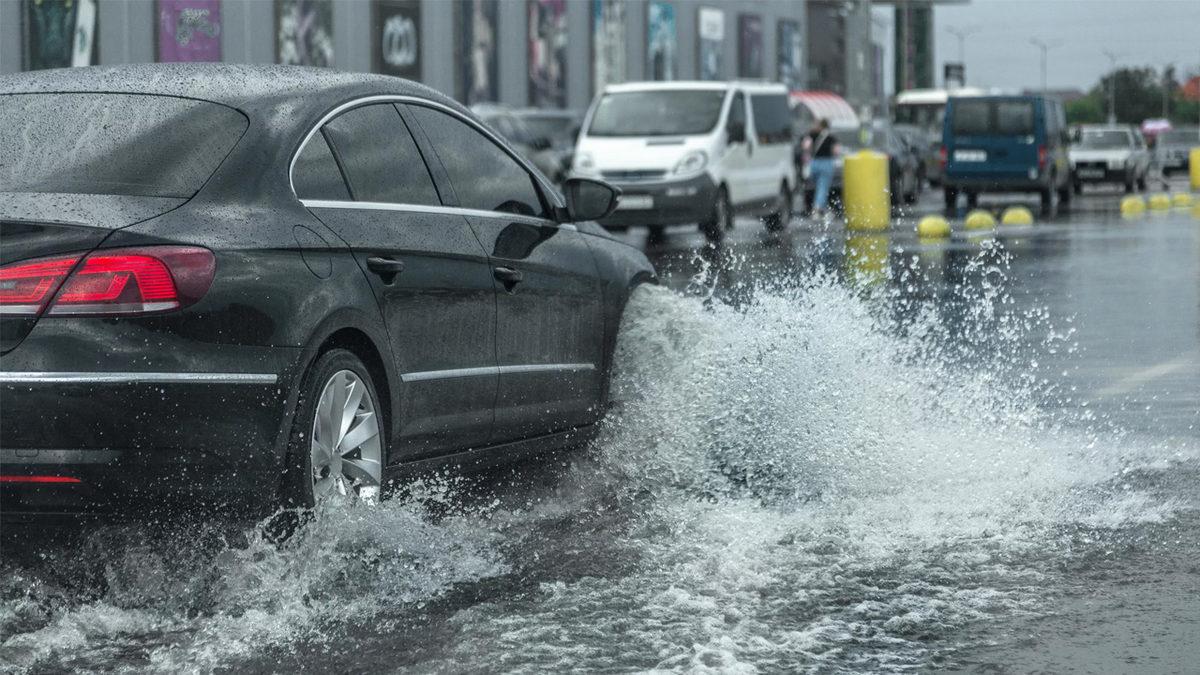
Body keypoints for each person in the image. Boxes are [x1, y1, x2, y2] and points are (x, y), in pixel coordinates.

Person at [805, 119, 839, 216]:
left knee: (818, 187)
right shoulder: (831, 137)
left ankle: (822, 209)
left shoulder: (812, 135)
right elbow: (836, 151)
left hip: (814, 163)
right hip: (826, 163)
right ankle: (817, 208)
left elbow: (806, 146)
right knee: (823, 187)